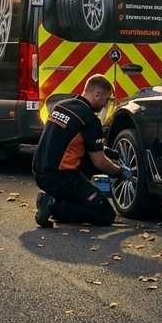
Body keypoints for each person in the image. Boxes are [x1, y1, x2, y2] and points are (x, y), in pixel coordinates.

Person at [32, 74, 133, 228]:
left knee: (88, 165)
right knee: (106, 215)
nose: (106, 104)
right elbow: (99, 162)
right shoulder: (90, 120)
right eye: (106, 100)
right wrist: (119, 172)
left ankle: (58, 201)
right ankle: (54, 205)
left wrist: (105, 150)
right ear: (97, 94)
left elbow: (66, 141)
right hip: (61, 178)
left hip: (40, 172)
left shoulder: (61, 105)